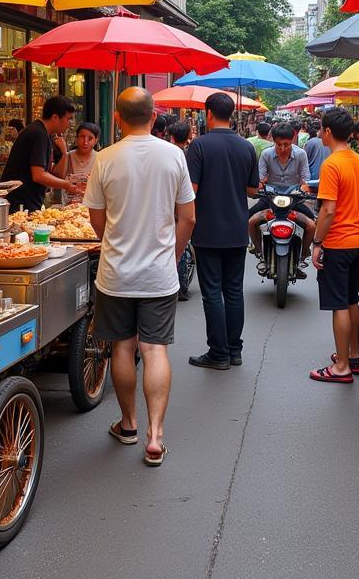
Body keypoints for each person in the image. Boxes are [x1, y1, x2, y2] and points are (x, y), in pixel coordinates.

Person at [86, 88, 195, 467]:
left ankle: (129, 424)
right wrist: (174, 254)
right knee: (155, 349)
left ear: (117, 118)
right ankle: (156, 436)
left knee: (122, 348)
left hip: (115, 273)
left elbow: (95, 218)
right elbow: (189, 217)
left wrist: (113, 243)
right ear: (153, 116)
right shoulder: (174, 156)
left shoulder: (104, 158)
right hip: (159, 274)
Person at [186, 92, 259, 370]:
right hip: (237, 228)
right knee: (234, 291)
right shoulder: (246, 147)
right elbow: (252, 189)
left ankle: (218, 352)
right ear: (232, 114)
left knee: (212, 292)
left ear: (208, 113)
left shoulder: (199, 146)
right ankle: (234, 350)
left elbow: (191, 190)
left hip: (207, 229)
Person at [309, 108, 359, 384]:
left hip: (339, 241)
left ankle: (342, 366)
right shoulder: (358, 160)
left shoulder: (332, 164)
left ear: (329, 131)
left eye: (322, 129)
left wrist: (317, 243)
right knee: (350, 298)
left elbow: (328, 210)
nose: (320, 133)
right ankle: (353, 356)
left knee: (339, 305)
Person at [249, 121, 315, 270]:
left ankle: (303, 255)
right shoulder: (266, 154)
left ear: (292, 140)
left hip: (294, 199)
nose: (283, 148)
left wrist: (304, 188)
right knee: (251, 221)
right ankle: (259, 252)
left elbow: (306, 178)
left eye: (287, 144)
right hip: (270, 198)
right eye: (279, 145)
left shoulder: (301, 154)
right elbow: (259, 178)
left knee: (311, 225)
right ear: (274, 141)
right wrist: (260, 185)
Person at [3, 96, 81, 212]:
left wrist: (64, 153)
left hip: (26, 201)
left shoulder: (43, 133)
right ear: (55, 117)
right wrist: (67, 185)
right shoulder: (39, 134)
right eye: (68, 119)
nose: (69, 123)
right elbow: (39, 175)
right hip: (20, 204)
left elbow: (55, 174)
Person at [54, 121, 100, 202]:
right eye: (82, 137)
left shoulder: (100, 158)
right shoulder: (68, 156)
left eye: (90, 138)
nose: (85, 142)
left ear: (96, 141)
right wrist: (64, 153)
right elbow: (57, 177)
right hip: (68, 209)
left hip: (93, 207)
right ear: (76, 138)